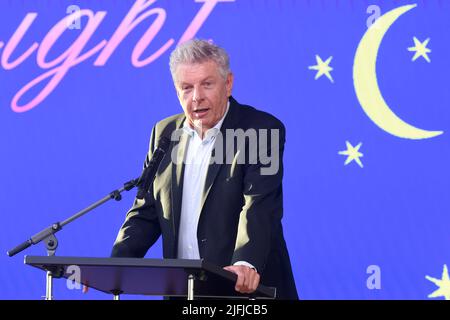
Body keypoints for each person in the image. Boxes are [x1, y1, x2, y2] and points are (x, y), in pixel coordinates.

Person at [111, 39, 298, 300]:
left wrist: (245, 263)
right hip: (185, 294)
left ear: (228, 84)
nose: (196, 97)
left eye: (207, 84)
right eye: (186, 88)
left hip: (246, 293)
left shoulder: (259, 130)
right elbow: (147, 209)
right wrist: (116, 265)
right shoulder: (164, 134)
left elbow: (259, 205)